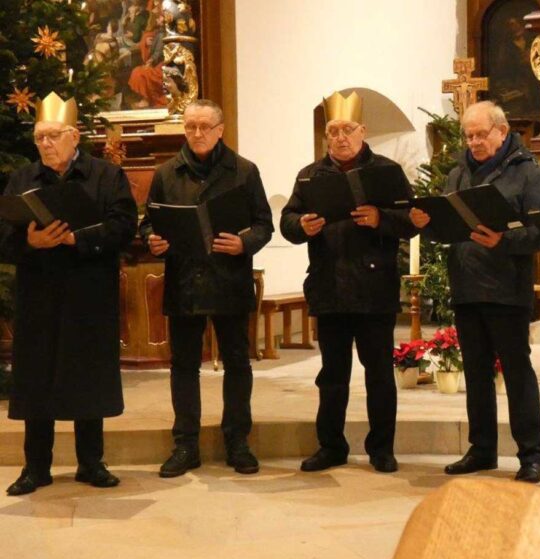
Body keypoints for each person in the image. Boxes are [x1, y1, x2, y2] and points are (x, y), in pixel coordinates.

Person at [0, 92, 137, 495]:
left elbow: (124, 225)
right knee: (38, 375)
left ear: (74, 136)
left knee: (87, 375)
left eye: (54, 136)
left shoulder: (106, 176)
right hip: (39, 293)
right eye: (40, 137)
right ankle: (35, 467)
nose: (45, 144)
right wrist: (33, 243)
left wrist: (76, 240)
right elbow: (4, 237)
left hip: (88, 292)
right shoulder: (23, 179)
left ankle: (91, 463)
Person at [410, 101, 540, 483]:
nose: (473, 142)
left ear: (502, 132)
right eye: (468, 135)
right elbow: (447, 229)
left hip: (507, 288)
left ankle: (532, 455)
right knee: (475, 372)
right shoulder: (457, 174)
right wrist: (428, 223)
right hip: (467, 287)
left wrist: (504, 239)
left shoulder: (529, 174)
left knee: (518, 374)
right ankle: (483, 449)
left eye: (480, 134)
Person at [280, 91, 416, 474]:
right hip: (329, 289)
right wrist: (301, 226)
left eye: (347, 130)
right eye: (333, 130)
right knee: (332, 376)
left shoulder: (387, 171)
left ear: (363, 131)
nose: (340, 137)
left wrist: (381, 219)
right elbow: (288, 222)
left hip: (375, 291)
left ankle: (382, 449)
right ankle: (331, 446)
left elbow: (412, 219)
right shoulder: (310, 175)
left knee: (378, 375)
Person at [140, 99, 273, 477]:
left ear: (220, 129)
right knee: (184, 366)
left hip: (229, 278)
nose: (197, 134)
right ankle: (185, 445)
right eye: (190, 127)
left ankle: (238, 442)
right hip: (185, 281)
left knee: (236, 362)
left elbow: (264, 224)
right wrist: (153, 240)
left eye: (204, 126)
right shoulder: (167, 173)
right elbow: (149, 222)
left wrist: (244, 243)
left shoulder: (244, 171)